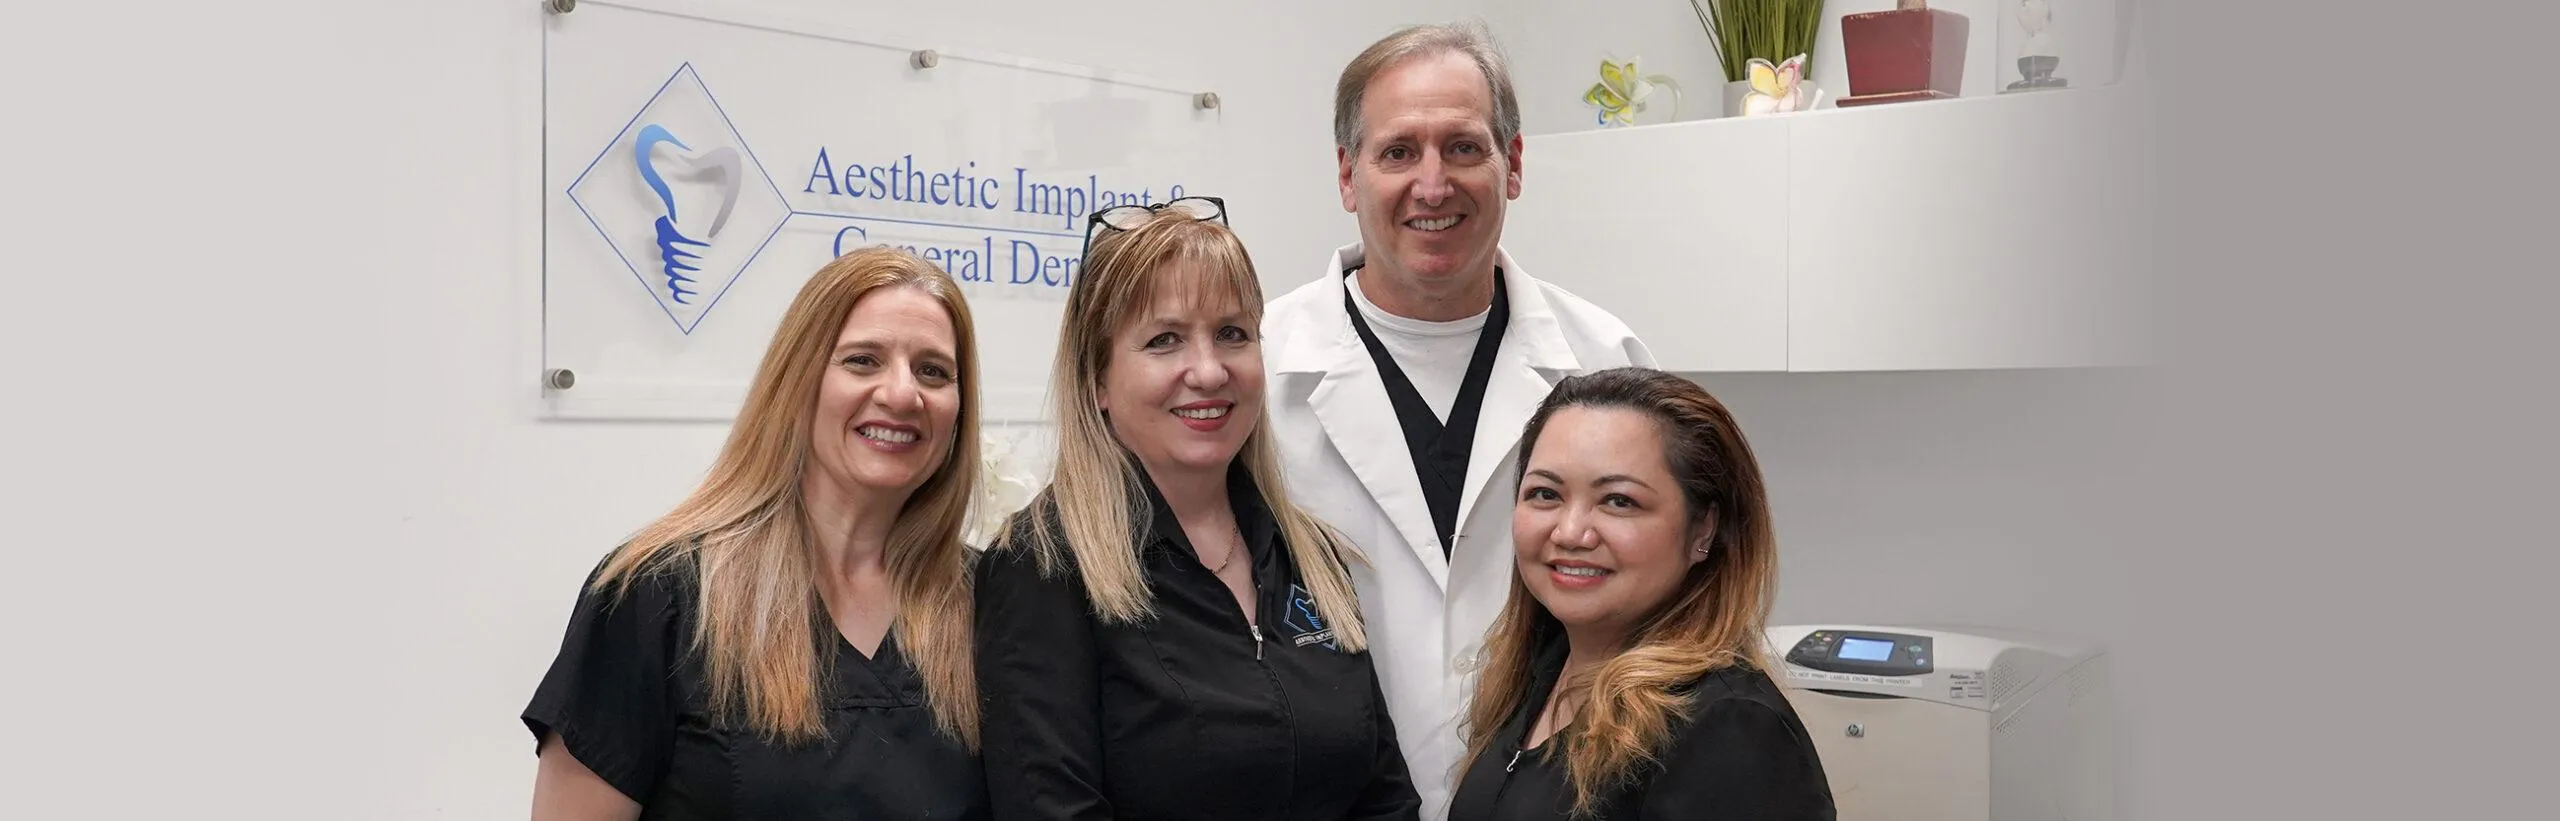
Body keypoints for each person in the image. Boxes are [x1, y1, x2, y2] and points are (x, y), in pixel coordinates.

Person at [1259, 22, 1656, 818]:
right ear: (1348, 174)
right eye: (1398, 151)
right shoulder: (1258, 371)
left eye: (1464, 149)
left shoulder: (1606, 359)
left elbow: (1670, 609)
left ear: (1513, 166)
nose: (1432, 184)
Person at [975, 198, 1421, 821]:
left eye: (1232, 335)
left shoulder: (1310, 557)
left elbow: (1385, 797)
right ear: (1097, 379)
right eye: (1165, 340)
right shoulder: (1043, 565)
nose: (1209, 372)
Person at [523, 247, 989, 820]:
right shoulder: (655, 595)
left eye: (933, 371)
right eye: (863, 360)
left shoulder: (991, 603)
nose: (901, 394)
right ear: (797, 381)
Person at [1448, 368, 1833, 820]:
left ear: (1703, 528)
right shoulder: (1540, 675)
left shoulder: (1727, 729)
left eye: (1618, 501)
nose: (1571, 532)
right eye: (1545, 493)